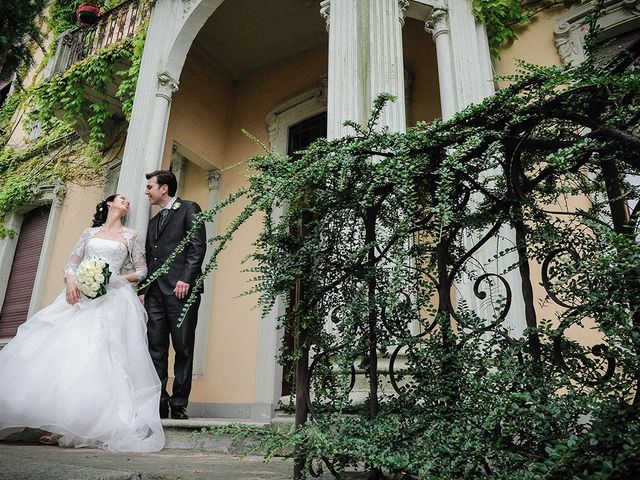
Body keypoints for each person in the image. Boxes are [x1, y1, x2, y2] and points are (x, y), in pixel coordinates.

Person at [0, 194, 165, 452]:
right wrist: (71, 282)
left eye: (128, 201)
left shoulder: (131, 236)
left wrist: (115, 280)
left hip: (112, 298)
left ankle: (75, 423)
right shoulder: (89, 233)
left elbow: (142, 270)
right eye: (121, 198)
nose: (127, 202)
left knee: (97, 354)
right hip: (79, 296)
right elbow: (72, 263)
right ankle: (50, 422)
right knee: (62, 352)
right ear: (109, 204)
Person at [143, 170, 206, 420]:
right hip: (154, 293)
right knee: (156, 349)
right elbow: (151, 257)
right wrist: (144, 289)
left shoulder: (190, 208)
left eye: (150, 187)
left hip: (181, 290)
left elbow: (197, 245)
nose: (147, 192)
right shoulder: (152, 222)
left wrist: (186, 279)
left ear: (164, 188)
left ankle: (178, 403)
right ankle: (160, 402)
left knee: (183, 348)